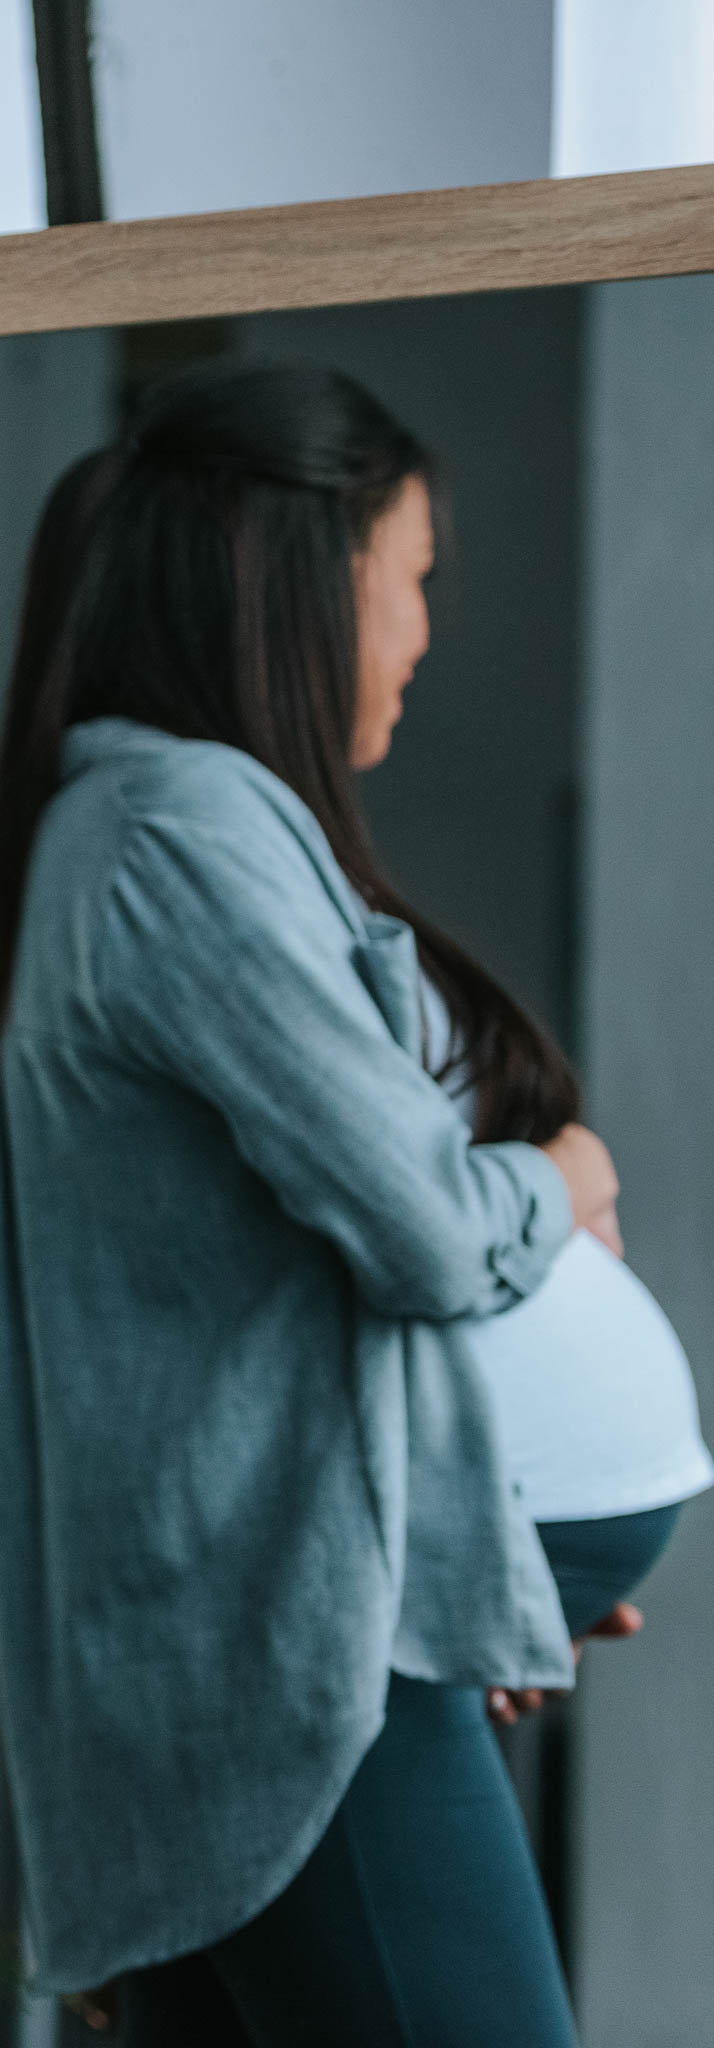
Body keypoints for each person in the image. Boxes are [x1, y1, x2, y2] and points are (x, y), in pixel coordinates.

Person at [0, 356, 645, 2047]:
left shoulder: (176, 826)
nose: (425, 634)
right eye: (414, 577)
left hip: (325, 1645)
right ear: (308, 569)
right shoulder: (174, 832)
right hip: (302, 1684)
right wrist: (557, 1183)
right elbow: (421, 1230)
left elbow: (280, 1293)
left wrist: (482, 1555)